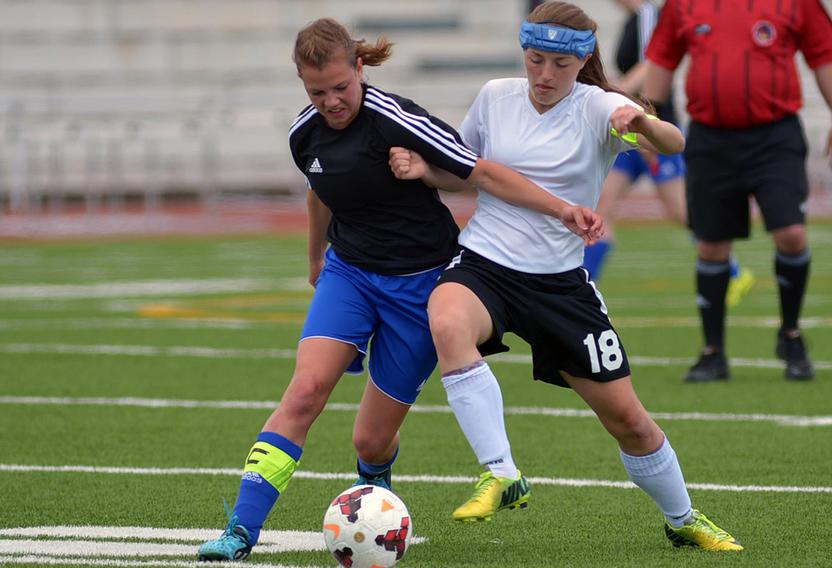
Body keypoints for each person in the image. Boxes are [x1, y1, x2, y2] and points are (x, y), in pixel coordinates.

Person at [196, 17, 601, 562]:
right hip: (351, 276)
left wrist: (563, 209)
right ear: (302, 83)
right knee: (305, 392)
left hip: (422, 285)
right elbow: (321, 191)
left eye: (341, 87)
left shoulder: (397, 118)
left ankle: (376, 490)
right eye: (318, 92)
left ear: (359, 67)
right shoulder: (303, 133)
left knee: (369, 441)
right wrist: (316, 258)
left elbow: (479, 172)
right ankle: (240, 533)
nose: (332, 101)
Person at [389, 1, 742, 552]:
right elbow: (466, 174)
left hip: (560, 284)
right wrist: (424, 170)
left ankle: (683, 517)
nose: (544, 75)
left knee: (630, 422)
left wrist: (641, 119)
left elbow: (675, 144)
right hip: (486, 264)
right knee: (447, 320)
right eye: (535, 60)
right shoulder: (494, 96)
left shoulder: (601, 106)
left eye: (559, 63)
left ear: (581, 62)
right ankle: (502, 473)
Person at [643, 0, 832, 382]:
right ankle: (713, 352)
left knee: (792, 234)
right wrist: (648, 122)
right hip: (710, 138)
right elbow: (661, 60)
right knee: (711, 246)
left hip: (775, 137)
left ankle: (790, 334)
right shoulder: (682, 4)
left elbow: (823, 55)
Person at [583, 0, 755, 310]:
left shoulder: (649, 14)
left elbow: (654, 64)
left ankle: (732, 271)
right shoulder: (634, 20)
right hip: (624, 130)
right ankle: (583, 286)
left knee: (682, 212)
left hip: (650, 130)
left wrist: (616, 93)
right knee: (600, 208)